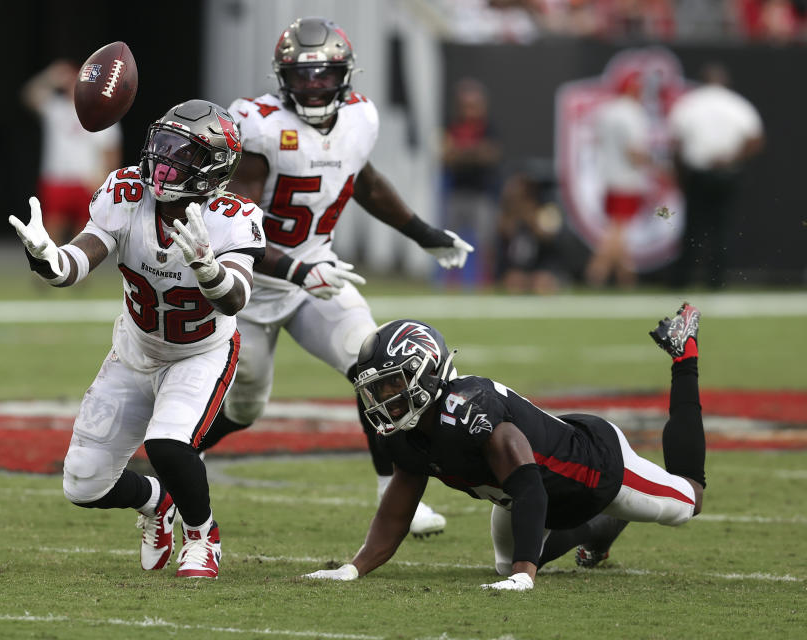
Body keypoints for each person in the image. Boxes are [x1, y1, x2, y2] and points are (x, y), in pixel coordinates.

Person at [197, 16, 474, 538]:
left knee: (375, 365)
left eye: (325, 75)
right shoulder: (257, 126)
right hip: (246, 284)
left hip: (317, 275)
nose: (315, 86)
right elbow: (234, 230)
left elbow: (362, 183)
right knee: (246, 404)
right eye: (303, 77)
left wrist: (422, 232)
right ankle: (175, 458)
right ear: (283, 78)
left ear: (345, 75)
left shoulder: (359, 118)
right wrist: (300, 268)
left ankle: (396, 498)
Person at [8, 100, 265, 578]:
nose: (162, 162)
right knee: (83, 485)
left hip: (201, 353)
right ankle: (156, 500)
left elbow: (235, 299)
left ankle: (202, 535)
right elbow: (76, 265)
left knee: (167, 442)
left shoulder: (235, 215)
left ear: (211, 168)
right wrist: (47, 258)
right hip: (135, 350)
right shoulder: (125, 192)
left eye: (180, 154)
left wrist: (209, 270)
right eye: (161, 147)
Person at [304, 302, 706, 591]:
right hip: (523, 494)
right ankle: (603, 526)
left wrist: (526, 574)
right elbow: (396, 511)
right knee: (503, 566)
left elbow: (530, 484)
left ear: (425, 373)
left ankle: (684, 352)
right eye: (377, 388)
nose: (384, 398)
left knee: (689, 502)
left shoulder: (469, 408)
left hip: (594, 467)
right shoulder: (407, 432)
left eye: (392, 384)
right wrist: (352, 569)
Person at [666, 62, 763, 289]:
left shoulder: (689, 104)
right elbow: (756, 139)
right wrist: (732, 158)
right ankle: (716, 281)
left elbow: (676, 145)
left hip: (699, 173)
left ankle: (682, 281)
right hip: (727, 173)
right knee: (722, 228)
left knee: (693, 229)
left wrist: (680, 177)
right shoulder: (736, 104)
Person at [22, 59, 123, 244]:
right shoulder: (56, 107)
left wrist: (106, 183)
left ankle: (78, 272)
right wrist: (51, 76)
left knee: (85, 237)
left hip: (86, 180)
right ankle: (50, 272)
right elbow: (29, 95)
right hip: (57, 178)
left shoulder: (100, 111)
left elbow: (110, 150)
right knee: (50, 235)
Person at [584, 68, 652, 289]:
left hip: (609, 176)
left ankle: (626, 279)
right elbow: (634, 152)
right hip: (627, 178)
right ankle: (596, 272)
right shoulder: (632, 113)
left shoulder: (607, 111)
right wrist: (654, 165)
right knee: (617, 231)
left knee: (618, 230)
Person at [440, 77, 502, 287]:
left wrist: (461, 153)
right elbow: (445, 156)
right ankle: (452, 284)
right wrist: (473, 153)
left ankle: (484, 283)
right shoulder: (452, 125)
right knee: (451, 243)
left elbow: (490, 155)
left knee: (484, 243)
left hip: (481, 193)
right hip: (457, 193)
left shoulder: (489, 127)